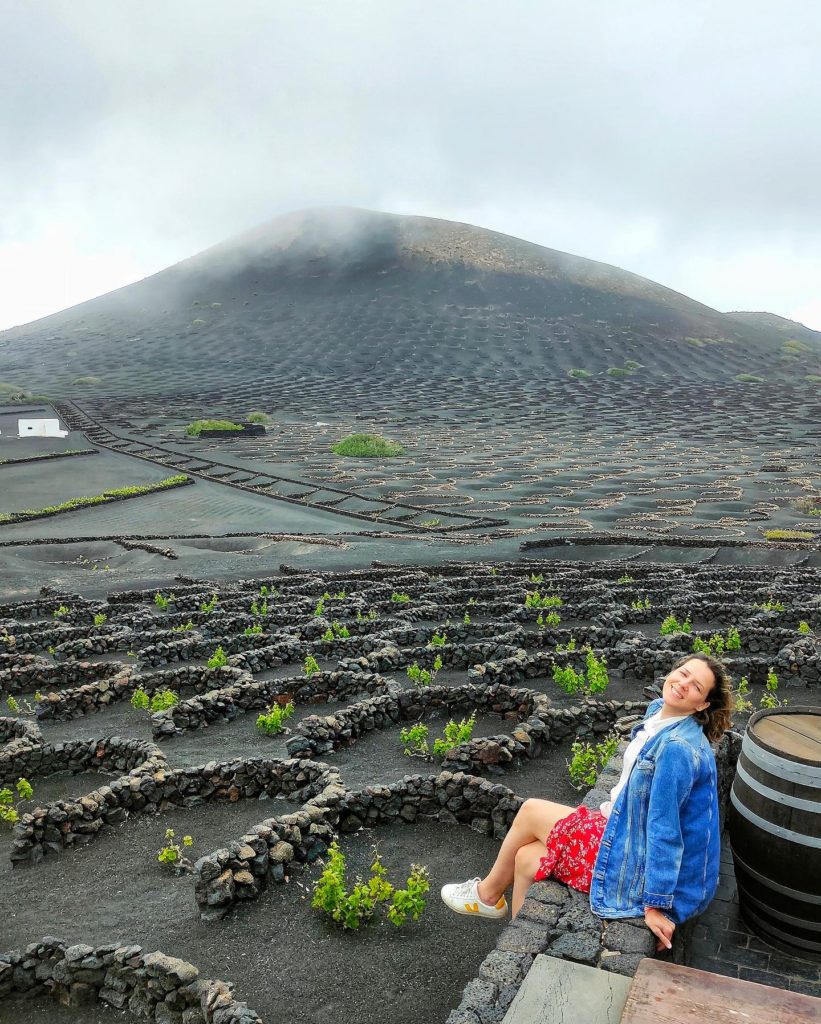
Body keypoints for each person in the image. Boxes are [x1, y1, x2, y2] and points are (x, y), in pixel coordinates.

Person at [441, 654, 734, 952]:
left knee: (530, 810)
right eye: (683, 673)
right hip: (623, 831)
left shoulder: (676, 749)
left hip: (634, 859)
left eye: (696, 686)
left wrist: (657, 905)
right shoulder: (660, 714)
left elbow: (665, 828)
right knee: (526, 858)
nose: (683, 684)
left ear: (703, 704)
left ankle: (487, 894)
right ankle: (518, 947)